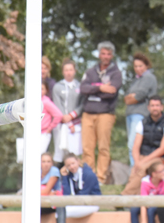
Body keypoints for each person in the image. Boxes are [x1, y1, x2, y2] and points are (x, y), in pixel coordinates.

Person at [80, 40, 123, 184]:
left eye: (108, 54)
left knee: (103, 147)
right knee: (87, 148)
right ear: (99, 54)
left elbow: (111, 93)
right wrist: (100, 88)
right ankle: (88, 177)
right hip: (87, 114)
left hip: (105, 113)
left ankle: (101, 178)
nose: (105, 56)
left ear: (112, 56)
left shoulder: (116, 73)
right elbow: (83, 89)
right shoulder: (91, 71)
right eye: (103, 53)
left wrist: (93, 89)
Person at [122, 95, 164, 195]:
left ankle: (125, 196)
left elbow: (163, 149)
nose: (155, 108)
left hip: (159, 157)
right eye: (152, 105)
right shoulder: (142, 122)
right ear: (148, 107)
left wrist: (143, 162)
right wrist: (137, 161)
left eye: (157, 105)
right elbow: (135, 146)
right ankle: (134, 202)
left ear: (162, 107)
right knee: (135, 169)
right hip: (143, 156)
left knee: (142, 168)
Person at [124, 52, 158, 166]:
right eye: (136, 66)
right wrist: (130, 97)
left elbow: (139, 95)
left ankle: (136, 172)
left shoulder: (148, 77)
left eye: (140, 66)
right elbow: (127, 96)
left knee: (133, 145)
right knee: (131, 145)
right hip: (130, 114)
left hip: (140, 113)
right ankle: (134, 171)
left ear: (146, 65)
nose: (138, 69)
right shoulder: (137, 79)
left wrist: (131, 97)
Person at [52, 59, 85, 164]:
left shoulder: (80, 86)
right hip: (62, 124)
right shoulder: (57, 87)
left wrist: (72, 115)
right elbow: (58, 105)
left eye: (71, 70)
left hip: (76, 124)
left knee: (75, 153)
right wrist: (67, 121)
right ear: (63, 72)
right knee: (61, 152)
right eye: (66, 70)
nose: (68, 72)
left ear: (74, 71)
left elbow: (82, 104)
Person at [60, 153, 101, 218]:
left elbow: (84, 193)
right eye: (68, 165)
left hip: (91, 203)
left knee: (64, 212)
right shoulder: (70, 175)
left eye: (73, 163)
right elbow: (66, 193)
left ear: (78, 161)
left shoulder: (89, 174)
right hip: (79, 202)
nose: (72, 167)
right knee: (60, 211)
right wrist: (64, 177)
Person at [41, 81, 63, 153]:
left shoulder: (46, 102)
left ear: (46, 90)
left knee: (39, 155)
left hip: (43, 133)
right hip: (31, 132)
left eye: (42, 89)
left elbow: (58, 115)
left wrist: (49, 128)